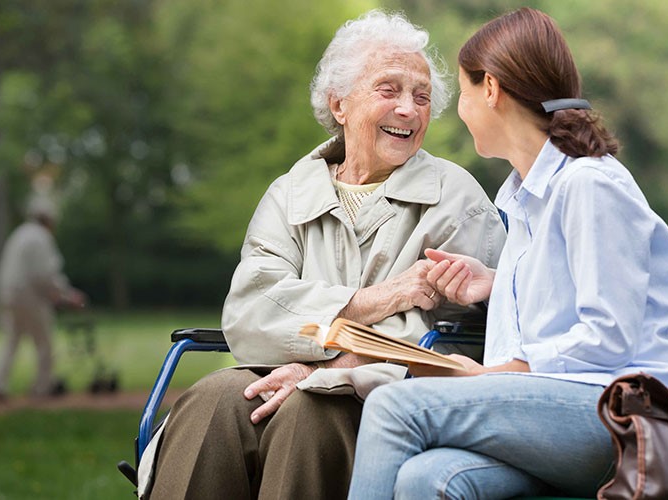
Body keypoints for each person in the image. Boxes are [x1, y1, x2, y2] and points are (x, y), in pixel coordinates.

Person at [144, 10, 506, 500]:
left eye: (421, 96)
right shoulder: (290, 193)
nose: (409, 109)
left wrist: (324, 373)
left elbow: (464, 338)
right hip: (284, 369)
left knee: (307, 413)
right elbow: (250, 310)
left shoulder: (455, 197)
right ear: (340, 104)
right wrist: (377, 300)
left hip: (387, 396)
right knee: (212, 400)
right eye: (389, 90)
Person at [348, 7, 668, 500]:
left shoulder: (589, 184)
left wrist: (495, 375)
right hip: (561, 422)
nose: (460, 110)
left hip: (624, 419)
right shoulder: (526, 198)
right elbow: (566, 301)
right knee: (426, 480)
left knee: (394, 406)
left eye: (465, 95)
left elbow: (609, 336)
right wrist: (494, 282)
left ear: (490, 88)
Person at [0, 195, 86, 402]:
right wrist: (68, 295)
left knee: (11, 340)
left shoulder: (20, 233)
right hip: (30, 296)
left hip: (8, 295)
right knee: (44, 343)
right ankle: (42, 387)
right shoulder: (41, 237)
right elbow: (46, 274)